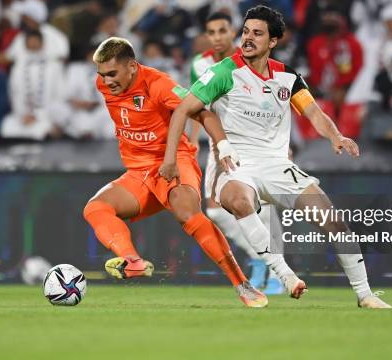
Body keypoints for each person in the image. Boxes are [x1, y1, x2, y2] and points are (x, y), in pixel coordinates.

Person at [161, 5, 392, 308]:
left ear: (272, 42)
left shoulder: (288, 77)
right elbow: (182, 110)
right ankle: (283, 274)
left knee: (334, 222)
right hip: (237, 165)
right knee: (238, 202)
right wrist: (170, 159)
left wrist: (335, 135)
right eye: (245, 32)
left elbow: (314, 112)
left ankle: (365, 295)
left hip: (278, 164)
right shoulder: (222, 72)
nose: (247, 38)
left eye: (257, 33)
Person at [82, 37, 267, 308]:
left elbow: (204, 114)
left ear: (132, 66)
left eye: (112, 73)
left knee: (187, 214)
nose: (106, 81)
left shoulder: (159, 84)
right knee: (95, 209)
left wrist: (224, 145)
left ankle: (242, 284)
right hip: (138, 172)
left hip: (174, 162)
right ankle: (132, 262)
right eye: (102, 75)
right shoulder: (104, 84)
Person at [189, 11, 284, 293]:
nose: (217, 37)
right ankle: (260, 259)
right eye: (212, 32)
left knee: (264, 209)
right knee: (216, 212)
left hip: (256, 143)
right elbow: (198, 105)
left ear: (235, 33)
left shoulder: (251, 61)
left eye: (223, 30)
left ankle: (277, 275)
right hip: (220, 145)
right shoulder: (201, 63)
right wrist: (193, 142)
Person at [0, 29, 64, 140]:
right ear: (25, 44)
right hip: (23, 115)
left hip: (47, 115)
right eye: (30, 41)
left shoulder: (54, 66)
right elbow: (14, 93)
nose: (33, 44)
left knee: (43, 131)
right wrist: (23, 114)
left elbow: (60, 94)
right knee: (8, 128)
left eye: (36, 41)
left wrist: (39, 115)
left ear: (42, 43)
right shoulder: (18, 67)